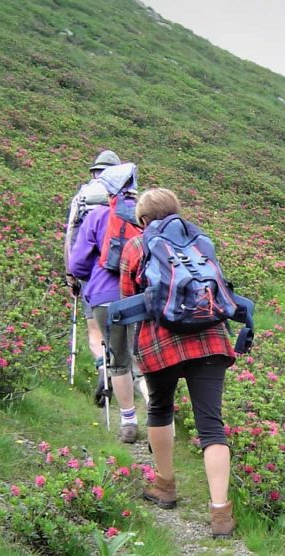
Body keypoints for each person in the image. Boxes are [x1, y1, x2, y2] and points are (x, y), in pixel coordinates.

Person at [119, 188, 237, 538]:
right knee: (212, 426)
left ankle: (165, 486)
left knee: (160, 408)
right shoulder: (201, 241)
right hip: (211, 339)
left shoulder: (137, 245)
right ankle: (220, 515)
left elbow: (128, 298)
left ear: (142, 220)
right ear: (176, 211)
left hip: (160, 342)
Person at [68, 162, 142, 443]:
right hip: (141, 295)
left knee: (118, 360)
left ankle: (128, 422)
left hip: (104, 296)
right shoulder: (144, 216)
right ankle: (163, 418)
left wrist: (90, 282)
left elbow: (77, 263)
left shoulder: (97, 215)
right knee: (144, 360)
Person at [65, 150, 120, 404]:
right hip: (124, 275)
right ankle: (125, 382)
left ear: (94, 171)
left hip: (91, 275)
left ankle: (102, 367)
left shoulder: (83, 197)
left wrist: (71, 275)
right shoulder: (127, 200)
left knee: (94, 328)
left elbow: (71, 237)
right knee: (123, 331)